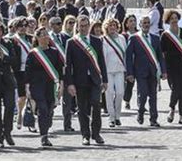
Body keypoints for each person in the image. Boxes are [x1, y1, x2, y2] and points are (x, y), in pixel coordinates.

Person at [65, 15, 108, 145]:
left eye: (86, 25)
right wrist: (70, 83)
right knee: (82, 109)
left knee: (96, 105)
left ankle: (96, 133)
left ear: (89, 26)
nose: (83, 28)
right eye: (81, 26)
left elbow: (101, 61)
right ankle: (85, 135)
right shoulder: (72, 42)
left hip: (95, 79)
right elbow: (68, 65)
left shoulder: (96, 41)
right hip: (80, 80)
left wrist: (104, 79)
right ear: (77, 27)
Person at [125, 16, 167, 127]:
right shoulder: (134, 38)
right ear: (140, 25)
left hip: (153, 72)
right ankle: (140, 112)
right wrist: (129, 73)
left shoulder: (155, 38)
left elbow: (160, 57)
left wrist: (164, 71)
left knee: (153, 96)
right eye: (144, 23)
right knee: (142, 94)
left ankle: (153, 119)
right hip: (140, 72)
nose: (146, 24)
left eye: (148, 23)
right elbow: (128, 57)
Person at [26, 27, 63, 147]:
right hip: (37, 85)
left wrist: (61, 85)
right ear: (37, 38)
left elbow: (60, 70)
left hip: (51, 86)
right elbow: (28, 72)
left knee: (49, 109)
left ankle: (46, 125)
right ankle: (44, 136)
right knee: (42, 108)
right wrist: (27, 88)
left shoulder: (54, 52)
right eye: (42, 35)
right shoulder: (33, 53)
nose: (46, 37)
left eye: (47, 34)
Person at [160, 10, 182, 125]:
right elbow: (162, 52)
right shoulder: (165, 35)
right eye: (172, 18)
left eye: (175, 18)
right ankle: (172, 108)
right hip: (171, 66)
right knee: (175, 88)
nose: (174, 20)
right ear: (168, 20)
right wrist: (163, 69)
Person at [101, 18, 127, 127]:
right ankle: (111, 117)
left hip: (120, 69)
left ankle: (117, 116)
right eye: (110, 25)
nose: (112, 27)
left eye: (114, 25)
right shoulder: (103, 40)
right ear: (106, 27)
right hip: (108, 70)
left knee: (120, 92)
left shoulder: (121, 38)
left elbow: (125, 54)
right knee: (109, 93)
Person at [10, 17, 33, 130]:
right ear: (15, 27)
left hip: (31, 70)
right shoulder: (12, 40)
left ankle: (30, 119)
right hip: (19, 70)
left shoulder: (31, 38)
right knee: (22, 96)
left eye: (25, 25)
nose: (23, 28)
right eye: (20, 26)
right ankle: (19, 114)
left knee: (33, 95)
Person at [122, 14, 138, 109]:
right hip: (127, 62)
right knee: (129, 83)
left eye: (134, 20)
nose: (133, 23)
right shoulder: (124, 36)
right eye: (130, 21)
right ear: (126, 24)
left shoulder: (139, 34)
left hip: (138, 62)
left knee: (140, 83)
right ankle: (126, 100)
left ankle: (141, 103)